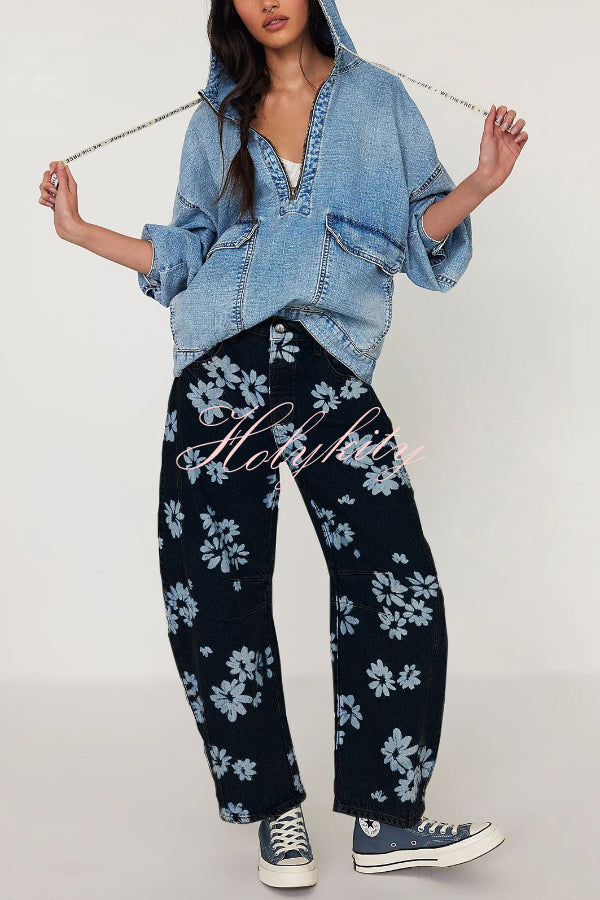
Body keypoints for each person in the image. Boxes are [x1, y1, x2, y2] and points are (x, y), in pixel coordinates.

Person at [38, 0, 527, 888]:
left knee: (394, 577)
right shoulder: (217, 116)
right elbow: (185, 252)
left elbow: (418, 234)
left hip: (329, 359)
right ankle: (275, 813)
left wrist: (484, 182)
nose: (268, 2)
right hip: (221, 366)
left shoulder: (377, 100)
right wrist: (80, 231)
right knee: (213, 590)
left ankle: (385, 819)